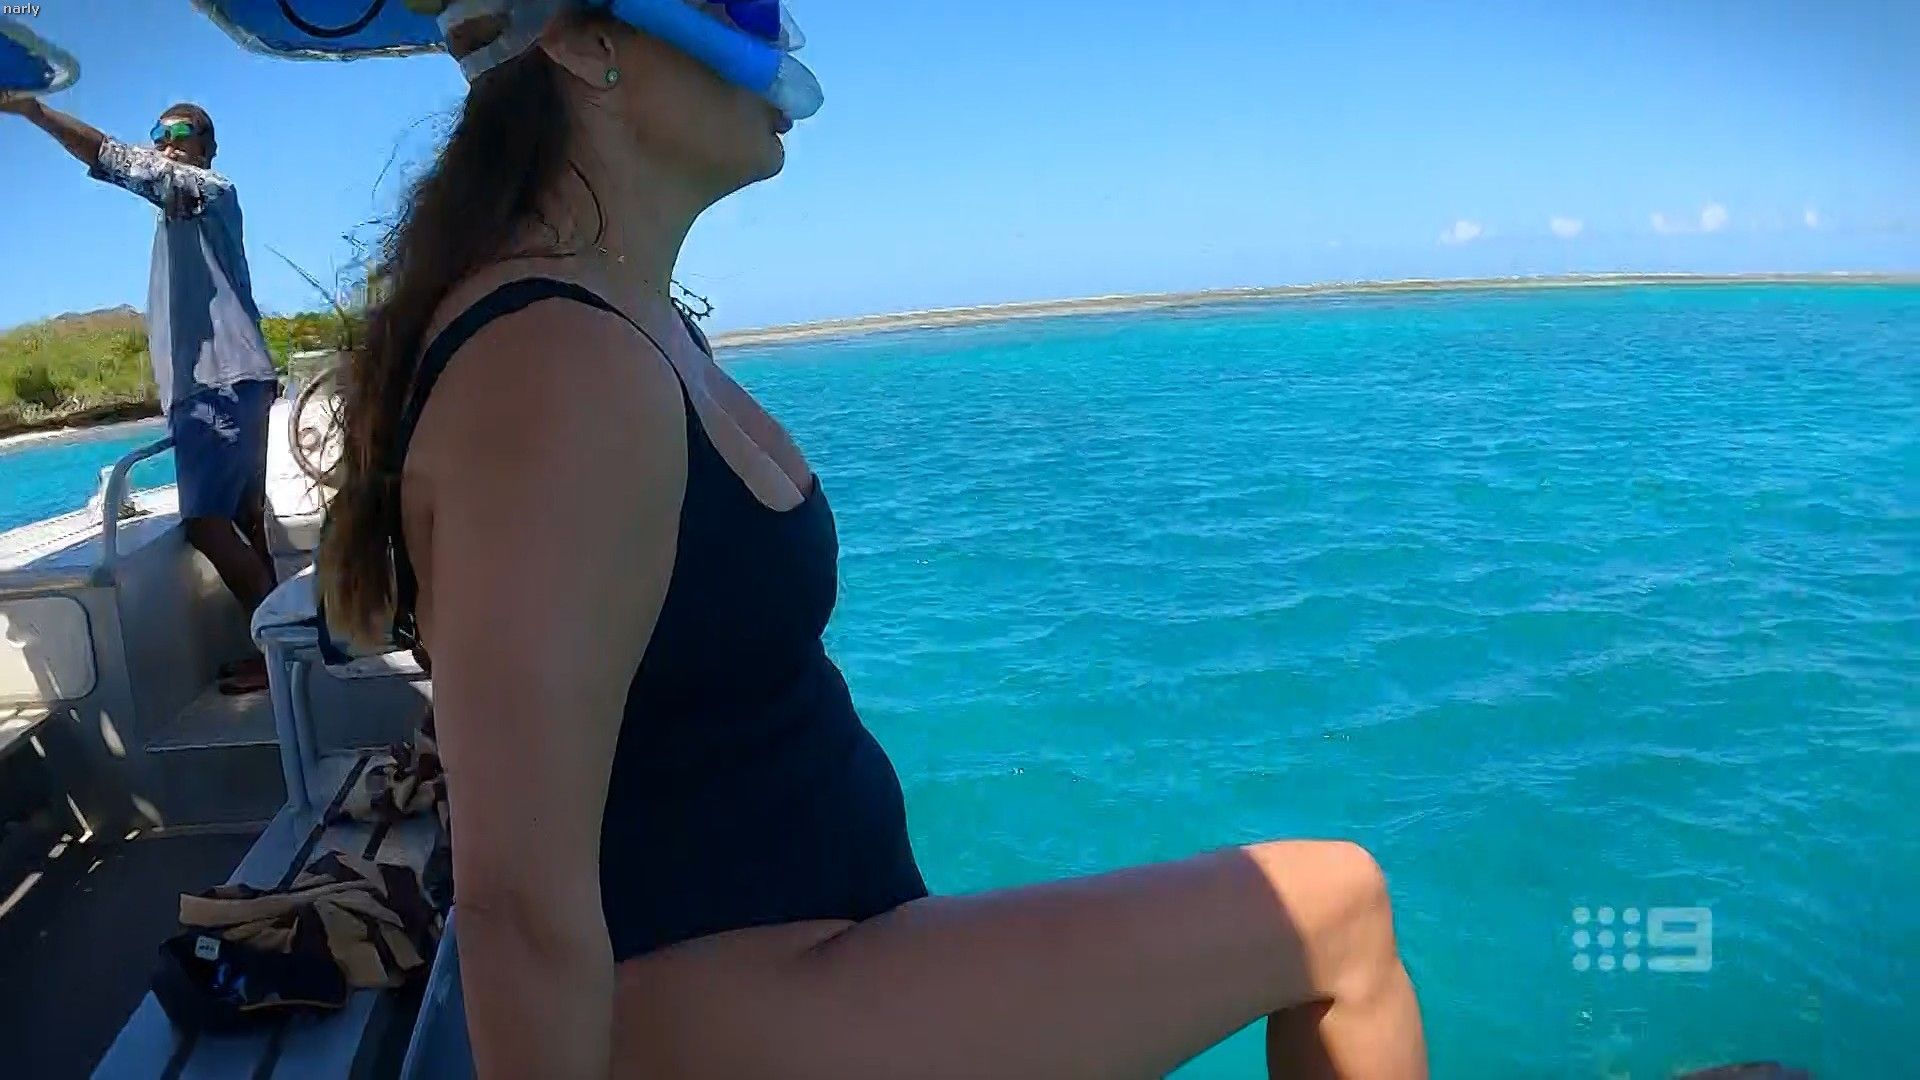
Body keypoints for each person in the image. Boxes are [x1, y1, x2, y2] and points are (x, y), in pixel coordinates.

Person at [314, 3, 1427, 1077]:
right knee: (1337, 916)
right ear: (583, 37)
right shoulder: (555, 362)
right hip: (715, 991)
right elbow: (517, 906)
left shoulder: (624, 317)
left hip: (813, 955)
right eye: (739, 2)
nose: (778, 35)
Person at [2, 96, 279, 694]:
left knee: (206, 525)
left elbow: (110, 156)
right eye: (158, 130)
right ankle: (281, 650)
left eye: (179, 130)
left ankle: (278, 652)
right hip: (235, 382)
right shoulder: (187, 212)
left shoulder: (204, 189)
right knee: (246, 518)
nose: (164, 140)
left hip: (217, 384)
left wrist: (34, 111)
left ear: (208, 146)